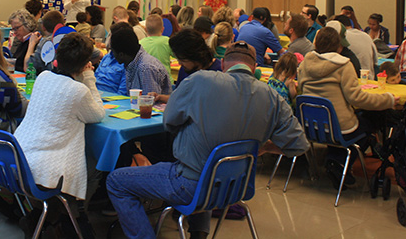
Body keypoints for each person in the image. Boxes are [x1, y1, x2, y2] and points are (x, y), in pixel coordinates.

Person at [107, 42, 309, 239]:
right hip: (235, 188)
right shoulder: (272, 97)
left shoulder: (200, 81)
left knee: (116, 181)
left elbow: (169, 122)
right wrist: (262, 148)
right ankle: (199, 233)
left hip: (189, 184)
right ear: (255, 68)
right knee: (207, 168)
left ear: (222, 64)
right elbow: (298, 145)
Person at [298, 27, 395, 187]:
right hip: (338, 128)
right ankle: (339, 163)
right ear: (339, 46)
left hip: (311, 127)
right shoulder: (343, 65)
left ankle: (335, 161)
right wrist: (388, 100)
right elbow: (357, 98)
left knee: (348, 125)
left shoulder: (305, 64)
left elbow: (302, 90)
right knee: (370, 122)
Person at [15, 32, 104, 201]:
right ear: (85, 63)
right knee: (97, 164)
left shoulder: (43, 77)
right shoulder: (78, 91)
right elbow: (98, 114)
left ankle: (51, 213)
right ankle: (70, 215)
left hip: (18, 156)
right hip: (42, 169)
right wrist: (89, 78)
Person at [96, 22, 171, 96]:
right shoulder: (132, 62)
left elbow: (150, 103)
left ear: (121, 54)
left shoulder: (146, 68)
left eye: (113, 51)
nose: (111, 55)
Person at [25, 10, 65, 75]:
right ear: (63, 25)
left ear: (43, 27)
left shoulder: (45, 43)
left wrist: (31, 44)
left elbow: (28, 67)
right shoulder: (71, 39)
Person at [139, 14, 174, 81]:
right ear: (162, 29)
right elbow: (177, 55)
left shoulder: (140, 43)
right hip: (165, 80)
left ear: (145, 29)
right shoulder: (167, 41)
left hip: (146, 80)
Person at [8, 9, 37, 73]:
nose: (14, 32)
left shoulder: (34, 42)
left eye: (17, 28)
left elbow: (27, 68)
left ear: (27, 25)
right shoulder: (22, 41)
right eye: (13, 29)